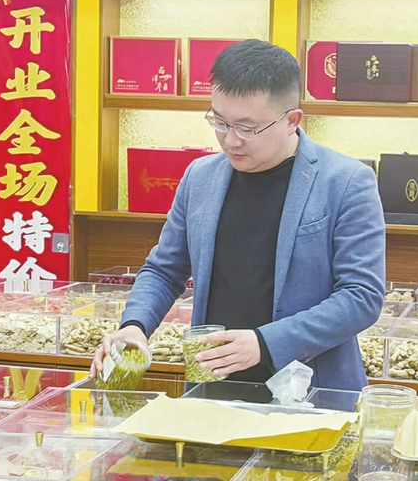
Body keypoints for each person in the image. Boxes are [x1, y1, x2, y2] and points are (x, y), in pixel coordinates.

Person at [90, 39, 386, 391]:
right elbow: (164, 270)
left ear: (291, 120)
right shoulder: (200, 176)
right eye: (219, 121)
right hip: (212, 386)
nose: (230, 140)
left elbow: (361, 296)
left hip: (310, 393)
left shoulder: (346, 181)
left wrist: (265, 343)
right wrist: (134, 326)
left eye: (247, 128)